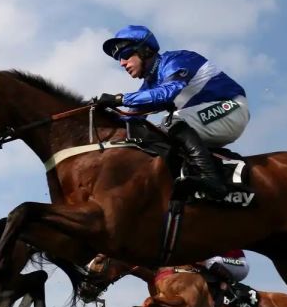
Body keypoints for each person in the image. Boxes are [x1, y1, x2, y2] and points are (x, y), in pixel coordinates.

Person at [98, 25, 249, 199]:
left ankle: (212, 180)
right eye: (118, 59)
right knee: (152, 135)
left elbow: (166, 93)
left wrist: (119, 99)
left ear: (145, 50)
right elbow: (131, 120)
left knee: (170, 123)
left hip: (231, 108)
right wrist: (102, 117)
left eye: (125, 55)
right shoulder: (150, 84)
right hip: (207, 119)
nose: (122, 63)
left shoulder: (176, 60)